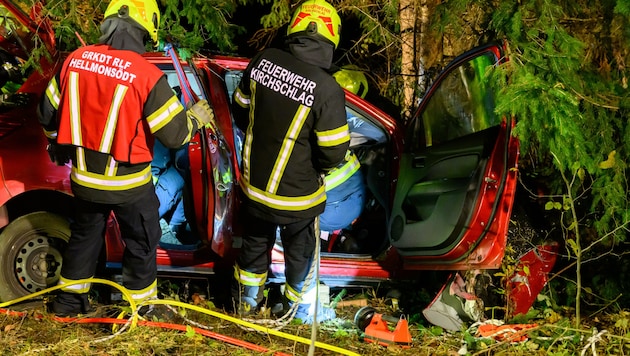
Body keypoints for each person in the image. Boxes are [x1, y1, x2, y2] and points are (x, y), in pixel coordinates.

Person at [37, 0, 213, 317]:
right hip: (128, 185)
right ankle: (139, 310)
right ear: (145, 30)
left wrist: (57, 144)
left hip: (84, 182)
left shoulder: (75, 60)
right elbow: (174, 136)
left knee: (84, 239)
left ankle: (68, 304)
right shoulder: (146, 75)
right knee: (143, 242)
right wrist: (196, 118)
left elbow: (46, 112)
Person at [230, 0, 349, 324]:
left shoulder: (263, 62)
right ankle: (292, 309)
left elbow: (240, 108)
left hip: (255, 190)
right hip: (298, 198)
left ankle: (246, 305)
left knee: (254, 245)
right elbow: (335, 151)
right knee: (300, 254)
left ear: (295, 27)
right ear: (331, 37)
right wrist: (316, 169)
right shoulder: (327, 89)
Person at [319, 66, 370, 252]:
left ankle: (337, 233)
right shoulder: (360, 122)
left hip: (341, 209)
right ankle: (339, 234)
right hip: (353, 203)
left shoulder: (322, 113)